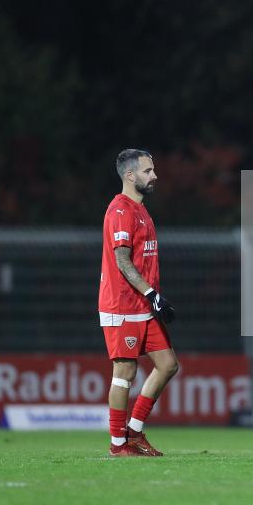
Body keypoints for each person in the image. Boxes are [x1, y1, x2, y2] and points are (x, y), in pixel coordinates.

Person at [99, 149, 179, 457]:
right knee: (125, 372)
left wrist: (152, 298)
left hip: (144, 307)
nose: (154, 175)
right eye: (148, 171)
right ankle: (118, 444)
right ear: (130, 175)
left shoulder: (140, 209)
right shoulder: (121, 210)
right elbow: (122, 260)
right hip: (123, 305)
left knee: (168, 364)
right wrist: (151, 294)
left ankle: (133, 432)